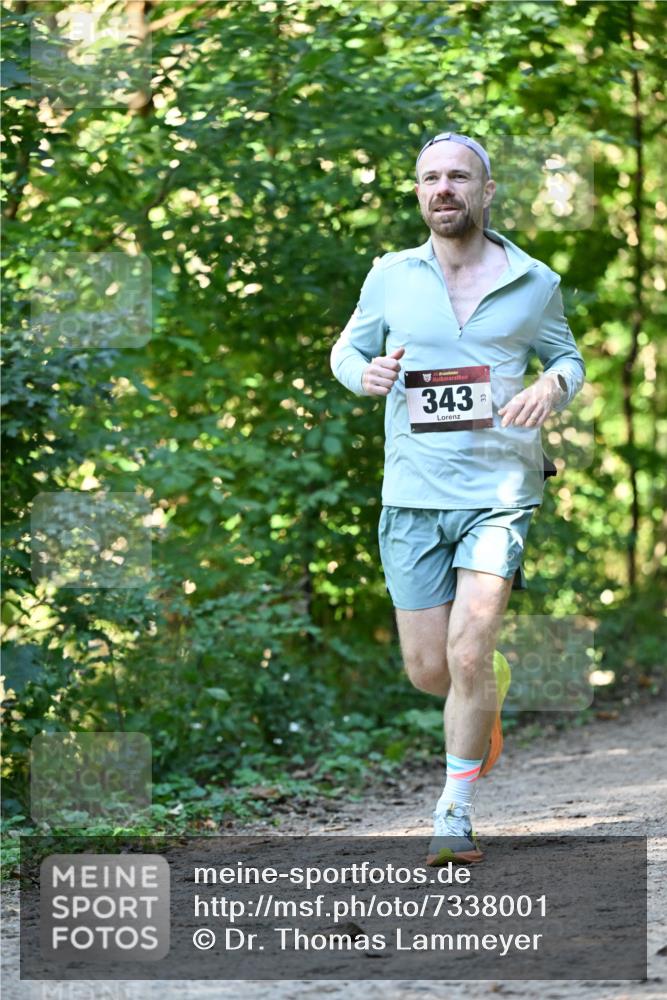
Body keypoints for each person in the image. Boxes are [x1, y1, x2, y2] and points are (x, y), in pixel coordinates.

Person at [330, 132, 585, 864]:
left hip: (500, 490)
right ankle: (484, 687)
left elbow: (566, 358)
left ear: (486, 190)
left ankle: (453, 813)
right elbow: (346, 349)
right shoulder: (390, 275)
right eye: (430, 178)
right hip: (412, 492)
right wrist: (363, 375)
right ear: (419, 192)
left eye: (458, 177)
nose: (443, 188)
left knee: (467, 651)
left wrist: (550, 385)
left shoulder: (533, 279)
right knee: (430, 670)